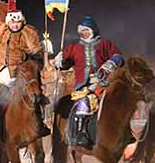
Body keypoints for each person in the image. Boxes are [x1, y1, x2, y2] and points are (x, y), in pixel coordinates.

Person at [0, 0, 51, 138]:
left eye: (17, 22)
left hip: (19, 75)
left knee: (34, 96)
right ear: (8, 22)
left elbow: (36, 52)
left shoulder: (28, 33)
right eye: (12, 22)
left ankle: (39, 124)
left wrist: (35, 56)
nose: (15, 25)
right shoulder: (2, 29)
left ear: (22, 21)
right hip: (0, 73)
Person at [52, 16, 124, 146]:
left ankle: (124, 131)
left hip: (104, 82)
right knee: (84, 103)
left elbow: (118, 56)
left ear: (93, 30)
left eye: (87, 30)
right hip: (84, 86)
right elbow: (64, 64)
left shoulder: (105, 44)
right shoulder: (74, 47)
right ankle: (81, 132)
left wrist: (110, 64)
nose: (85, 33)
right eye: (83, 31)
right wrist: (60, 61)